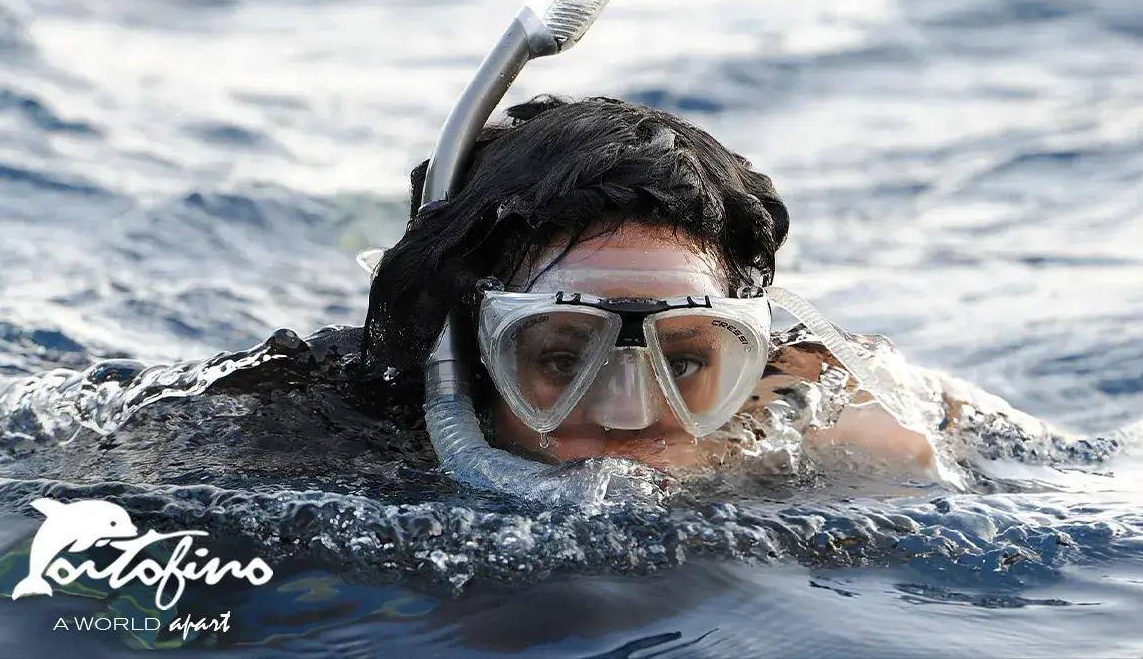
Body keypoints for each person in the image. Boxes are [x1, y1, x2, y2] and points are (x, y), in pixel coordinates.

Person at [357, 95, 936, 474]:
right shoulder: (339, 439)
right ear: (471, 357)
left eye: (681, 363)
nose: (628, 418)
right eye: (563, 360)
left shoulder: (812, 416)